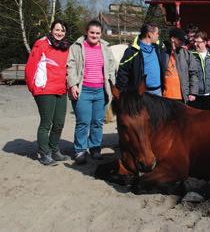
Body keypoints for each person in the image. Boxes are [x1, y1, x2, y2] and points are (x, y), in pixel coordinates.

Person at [67, 20, 116, 164]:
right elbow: (70, 66)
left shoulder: (106, 48)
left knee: (98, 122)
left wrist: (112, 83)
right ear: (86, 32)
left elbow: (111, 67)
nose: (95, 35)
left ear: (101, 34)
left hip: (101, 91)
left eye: (97, 33)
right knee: (83, 122)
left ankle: (95, 148)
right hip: (84, 90)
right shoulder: (76, 47)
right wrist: (73, 84)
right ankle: (80, 150)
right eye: (92, 32)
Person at [24, 20, 71, 165]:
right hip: (45, 90)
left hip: (61, 89)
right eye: (57, 30)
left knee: (59, 123)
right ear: (51, 30)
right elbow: (30, 68)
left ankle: (55, 150)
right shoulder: (41, 44)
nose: (59, 33)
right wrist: (34, 88)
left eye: (62, 31)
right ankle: (44, 153)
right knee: (46, 123)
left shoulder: (65, 47)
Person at [116, 22, 164, 95]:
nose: (158, 35)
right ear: (150, 34)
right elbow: (122, 73)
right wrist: (123, 94)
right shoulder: (132, 51)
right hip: (143, 94)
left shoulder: (157, 48)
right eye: (157, 33)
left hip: (158, 92)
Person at [161, 28, 198, 103]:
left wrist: (193, 92)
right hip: (165, 97)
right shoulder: (162, 53)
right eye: (180, 40)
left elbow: (193, 73)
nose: (183, 42)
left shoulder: (187, 54)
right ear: (173, 39)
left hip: (182, 96)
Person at [189, 31, 210, 110]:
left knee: (208, 119)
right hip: (195, 94)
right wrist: (191, 92)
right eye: (194, 41)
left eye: (198, 42)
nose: (195, 44)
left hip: (209, 93)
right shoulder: (190, 54)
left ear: (205, 42)